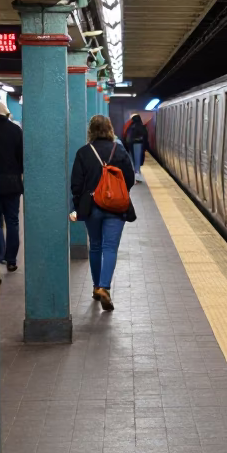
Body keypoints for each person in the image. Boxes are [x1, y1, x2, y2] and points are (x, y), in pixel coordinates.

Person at [71, 114, 135, 311]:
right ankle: (104, 287)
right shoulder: (120, 151)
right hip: (115, 208)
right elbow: (130, 179)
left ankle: (95, 286)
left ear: (90, 131)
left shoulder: (83, 152)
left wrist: (78, 206)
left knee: (96, 246)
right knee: (110, 247)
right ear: (110, 130)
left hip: (91, 207)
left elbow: (76, 184)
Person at [0, 100, 23, 272]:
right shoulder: (16, 130)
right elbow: (22, 159)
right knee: (12, 221)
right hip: (12, 183)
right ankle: (11, 259)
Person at [124, 114, 149, 182]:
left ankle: (134, 175)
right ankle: (137, 175)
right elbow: (145, 137)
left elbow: (126, 137)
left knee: (132, 160)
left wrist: (126, 146)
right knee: (137, 161)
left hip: (130, 145)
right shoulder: (142, 127)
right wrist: (145, 147)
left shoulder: (130, 127)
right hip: (139, 145)